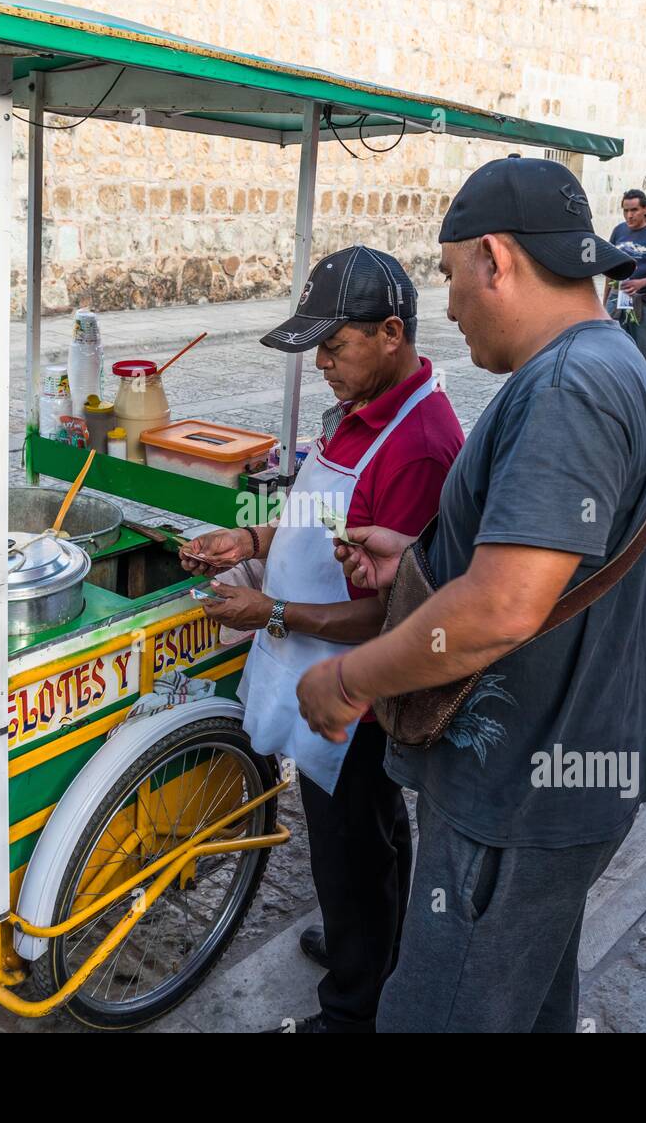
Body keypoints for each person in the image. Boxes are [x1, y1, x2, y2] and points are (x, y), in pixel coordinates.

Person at [295, 157, 646, 1033]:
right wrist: (419, 557)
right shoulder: (606, 361)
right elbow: (545, 568)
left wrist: (351, 679)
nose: (450, 306)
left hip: (518, 791)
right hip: (555, 777)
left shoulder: (567, 387)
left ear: (495, 259)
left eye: (448, 276)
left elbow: (505, 607)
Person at [180, 246, 464, 1034]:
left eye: (334, 348)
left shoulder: (419, 445)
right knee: (364, 837)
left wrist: (270, 614)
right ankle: (368, 947)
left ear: (392, 334)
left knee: (352, 848)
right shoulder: (362, 410)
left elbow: (392, 614)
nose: (324, 368)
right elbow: (325, 521)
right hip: (319, 667)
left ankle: (354, 1008)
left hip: (358, 689)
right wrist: (253, 542)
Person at [604, 188, 646, 378]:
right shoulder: (619, 230)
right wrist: (604, 303)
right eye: (625, 210)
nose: (629, 215)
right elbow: (610, 270)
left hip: (645, 300)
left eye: (633, 210)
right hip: (618, 299)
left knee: (644, 355)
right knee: (611, 349)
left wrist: (642, 282)